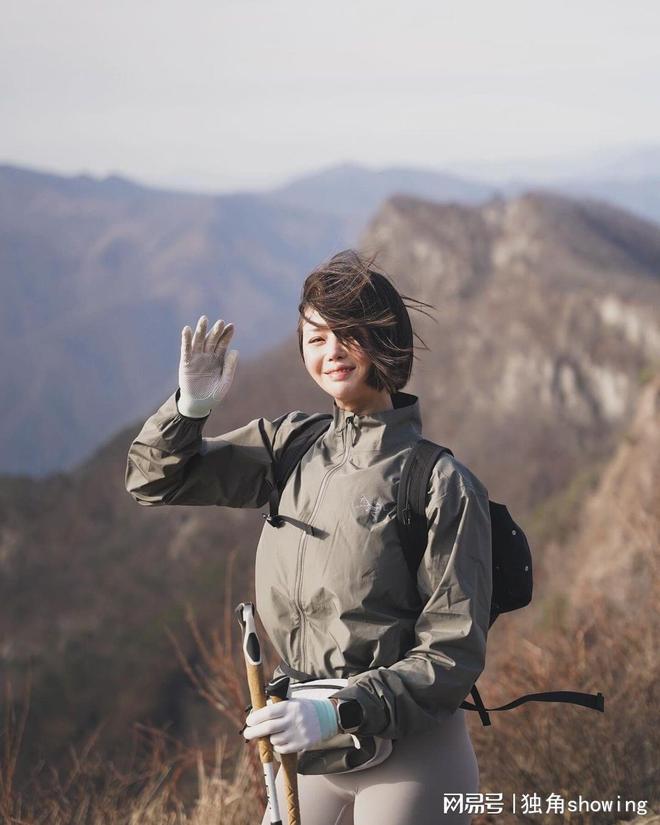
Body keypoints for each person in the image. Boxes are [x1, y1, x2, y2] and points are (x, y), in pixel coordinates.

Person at [125, 250, 492, 825]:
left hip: (413, 756)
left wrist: (339, 712)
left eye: (350, 335)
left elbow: (452, 653)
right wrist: (189, 409)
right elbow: (154, 481)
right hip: (308, 749)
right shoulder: (290, 447)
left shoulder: (438, 482)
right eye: (316, 338)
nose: (332, 352)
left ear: (385, 341)